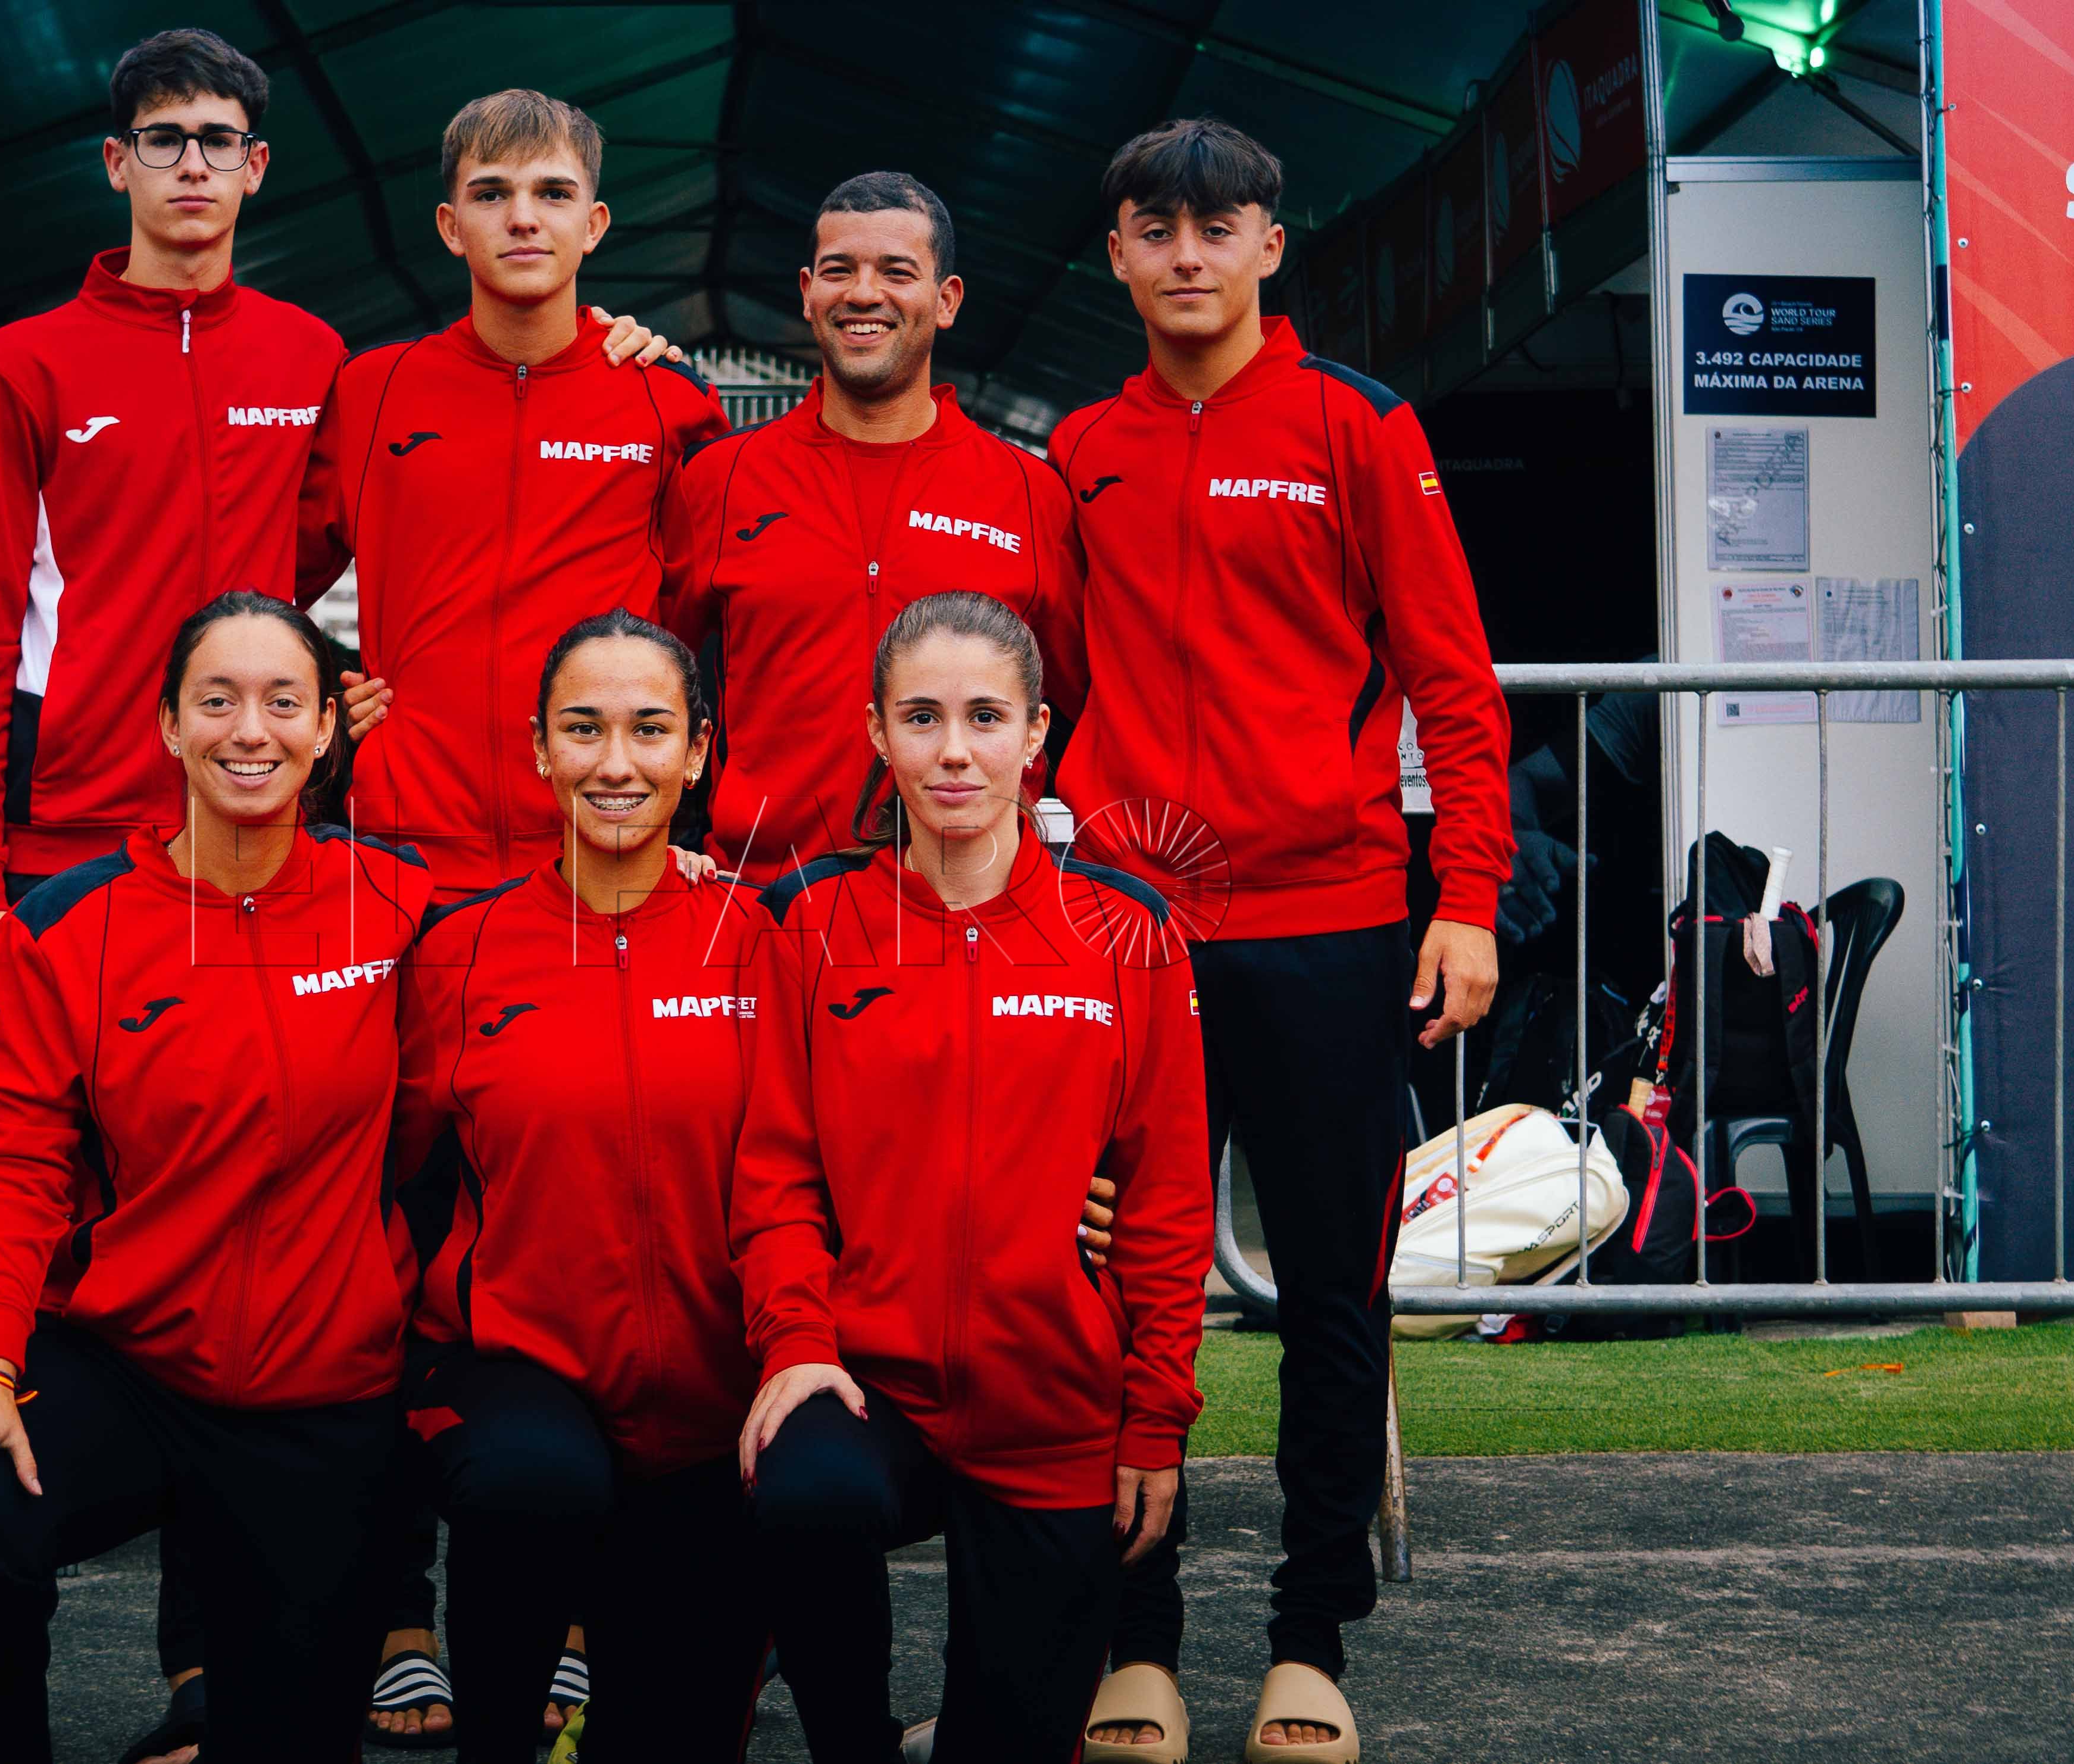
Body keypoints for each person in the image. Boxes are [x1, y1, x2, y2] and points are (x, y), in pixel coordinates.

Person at [1048, 118, 1507, 1763]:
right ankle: (1137, 1641)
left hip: (1329, 922)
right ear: (1117, 253)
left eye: (1216, 224)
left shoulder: (1355, 424)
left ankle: (1309, 1636)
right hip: (1130, 930)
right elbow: (1044, 685)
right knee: (1118, 1290)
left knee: (1330, 1294)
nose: (1185, 253)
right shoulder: (1078, 450)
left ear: (1268, 243)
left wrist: (1467, 895)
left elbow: (1450, 677)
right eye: (1153, 227)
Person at [0, 33, 684, 1022]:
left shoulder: (315, 357)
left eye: (217, 140)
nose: (192, 164)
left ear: (256, 165)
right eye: (163, 139)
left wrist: (345, 693)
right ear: (117, 161)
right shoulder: (26, 364)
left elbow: (307, 560)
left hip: (269, 818)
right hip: (77, 826)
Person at [0, 594, 432, 1764]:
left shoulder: (399, 901)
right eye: (216, 700)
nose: (249, 729)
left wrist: (680, 874)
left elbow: (548, 940)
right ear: (170, 725)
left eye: (283, 700)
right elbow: (14, 1170)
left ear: (327, 727)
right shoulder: (67, 926)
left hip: (321, 1392)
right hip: (130, 1366)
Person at [734, 592, 1209, 1764]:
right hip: (870, 1385)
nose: (952, 749)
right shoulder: (809, 919)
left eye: (984, 716)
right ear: (875, 731)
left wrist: (1154, 1418)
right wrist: (796, 1342)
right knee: (799, 1490)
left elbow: (1164, 1199)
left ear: (1034, 732)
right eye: (921, 716)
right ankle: (850, 1740)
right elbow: (774, 1170)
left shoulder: (1127, 931)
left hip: (1050, 1406)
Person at [389, 610, 769, 1762]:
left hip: (716, 1399)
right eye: (583, 728)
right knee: (531, 1485)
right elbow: (382, 1163)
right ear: (538, 748)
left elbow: (860, 1145)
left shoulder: (761, 939)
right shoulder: (456, 951)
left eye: (649, 728)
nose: (615, 761)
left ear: (697, 751)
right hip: (519, 1375)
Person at [296, 88, 730, 899]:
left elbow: (714, 624)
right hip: (407, 854)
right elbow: (264, 583)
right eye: (491, 193)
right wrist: (323, 697)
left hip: (599, 849)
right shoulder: (371, 392)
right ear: (450, 225)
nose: (523, 218)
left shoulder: (667, 401)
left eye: (553, 193)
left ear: (593, 224)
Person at [661, 171, 1083, 879]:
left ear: (946, 300)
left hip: (970, 902)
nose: (863, 293)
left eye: (896, 271)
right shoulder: (718, 479)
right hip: (766, 899)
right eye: (839, 270)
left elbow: (1089, 707)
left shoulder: (1029, 491)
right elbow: (645, 681)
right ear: (807, 293)